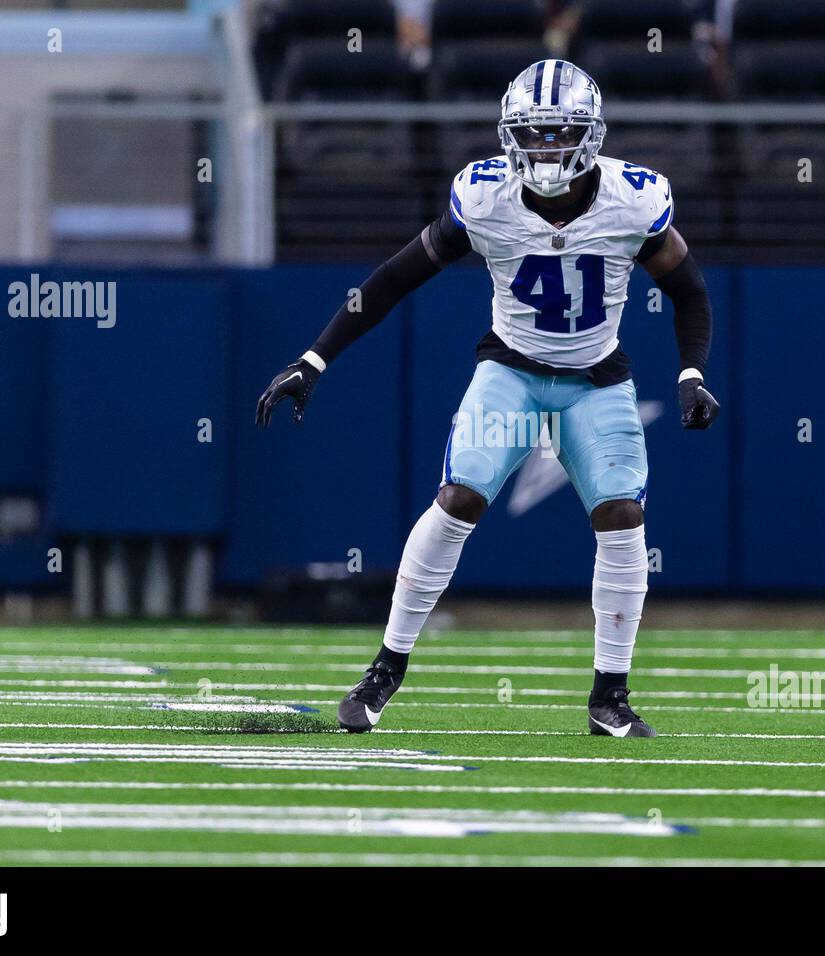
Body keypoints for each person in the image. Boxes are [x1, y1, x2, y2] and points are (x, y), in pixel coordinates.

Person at [257, 61, 717, 736]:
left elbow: (689, 289)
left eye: (561, 133)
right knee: (460, 494)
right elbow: (393, 279)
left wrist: (690, 373)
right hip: (513, 371)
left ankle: (609, 697)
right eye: (532, 134)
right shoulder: (483, 196)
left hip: (596, 377)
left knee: (622, 516)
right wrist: (315, 357)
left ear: (590, 136)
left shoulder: (635, 199)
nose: (546, 149)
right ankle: (385, 668)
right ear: (509, 136)